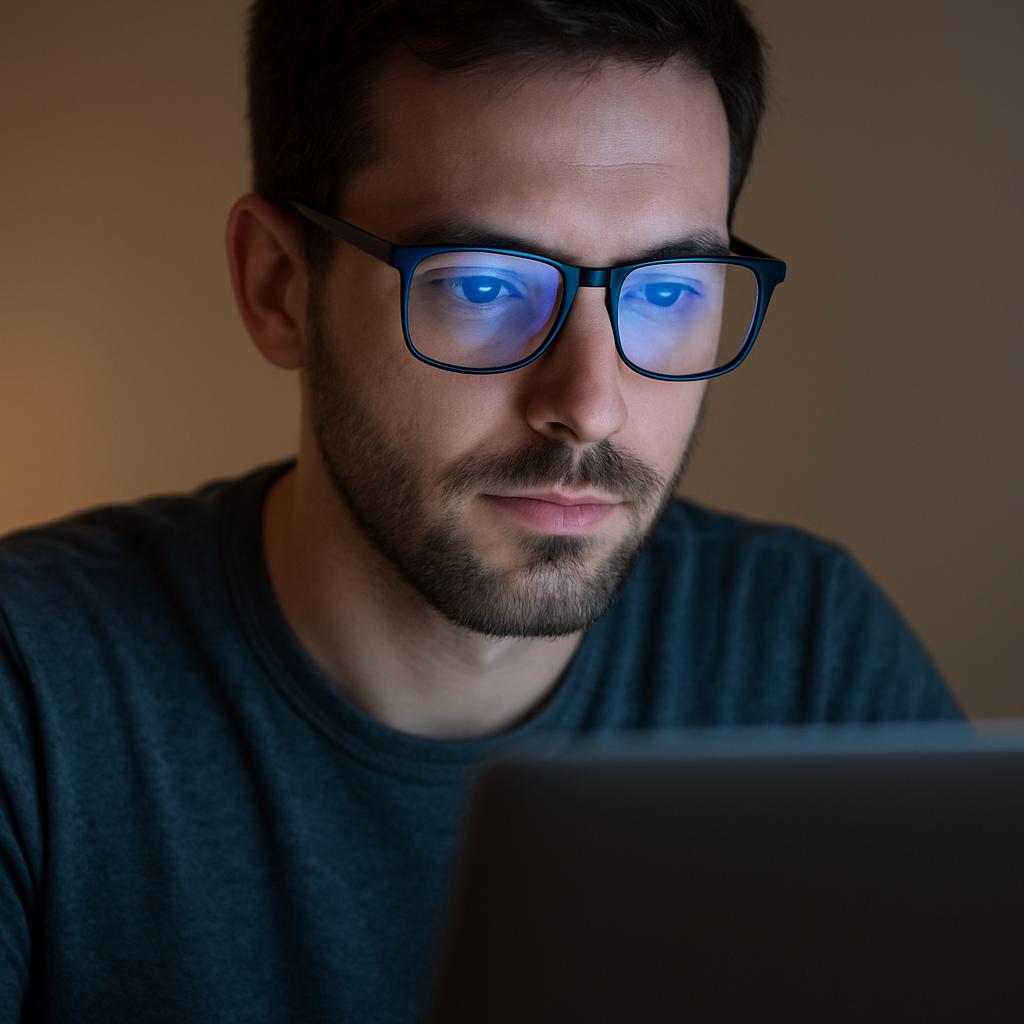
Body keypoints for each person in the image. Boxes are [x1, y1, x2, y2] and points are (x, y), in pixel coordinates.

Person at [0, 1, 961, 1020]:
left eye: (669, 290)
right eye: (486, 284)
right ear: (280, 286)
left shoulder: (809, 657)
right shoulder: (32, 687)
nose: (588, 403)